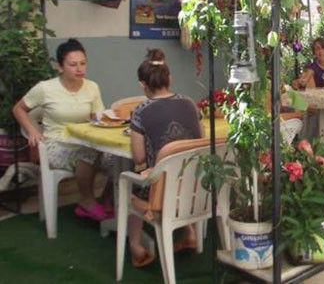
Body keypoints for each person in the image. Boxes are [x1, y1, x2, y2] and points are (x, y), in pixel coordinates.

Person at [12, 38, 110, 221]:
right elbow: (18, 109)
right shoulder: (45, 88)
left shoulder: (92, 87)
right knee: (88, 153)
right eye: (73, 64)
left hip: (84, 141)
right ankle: (87, 201)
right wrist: (32, 131)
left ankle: (108, 200)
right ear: (60, 67)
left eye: (83, 63)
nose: (79, 69)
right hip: (56, 144)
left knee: (117, 158)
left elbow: (97, 118)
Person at [126, 49, 203, 267]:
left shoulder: (140, 111)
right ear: (170, 79)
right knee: (178, 167)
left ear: (143, 85)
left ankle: (136, 246)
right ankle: (189, 233)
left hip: (162, 192)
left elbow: (138, 157)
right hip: (195, 187)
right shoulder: (190, 103)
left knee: (132, 185)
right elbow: (200, 140)